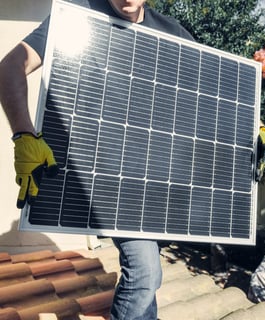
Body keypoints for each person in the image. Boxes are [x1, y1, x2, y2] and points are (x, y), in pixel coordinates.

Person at [0, 1, 194, 319]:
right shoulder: (79, 18)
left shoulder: (173, 34)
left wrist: (254, 127)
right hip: (109, 181)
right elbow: (10, 67)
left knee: (146, 277)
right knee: (145, 272)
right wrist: (24, 134)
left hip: (158, 183)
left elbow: (221, 95)